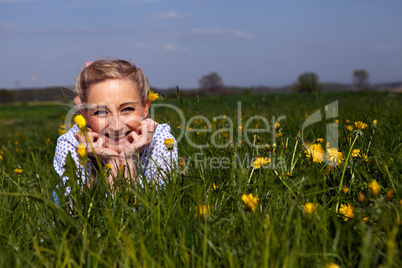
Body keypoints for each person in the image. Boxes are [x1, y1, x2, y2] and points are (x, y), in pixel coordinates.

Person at [53, 59, 178, 201]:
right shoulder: (70, 145)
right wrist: (110, 163)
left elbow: (157, 211)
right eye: (100, 112)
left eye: (127, 109)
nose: (116, 126)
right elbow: (80, 216)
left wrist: (129, 161)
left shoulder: (161, 140)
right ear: (85, 115)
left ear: (145, 108)